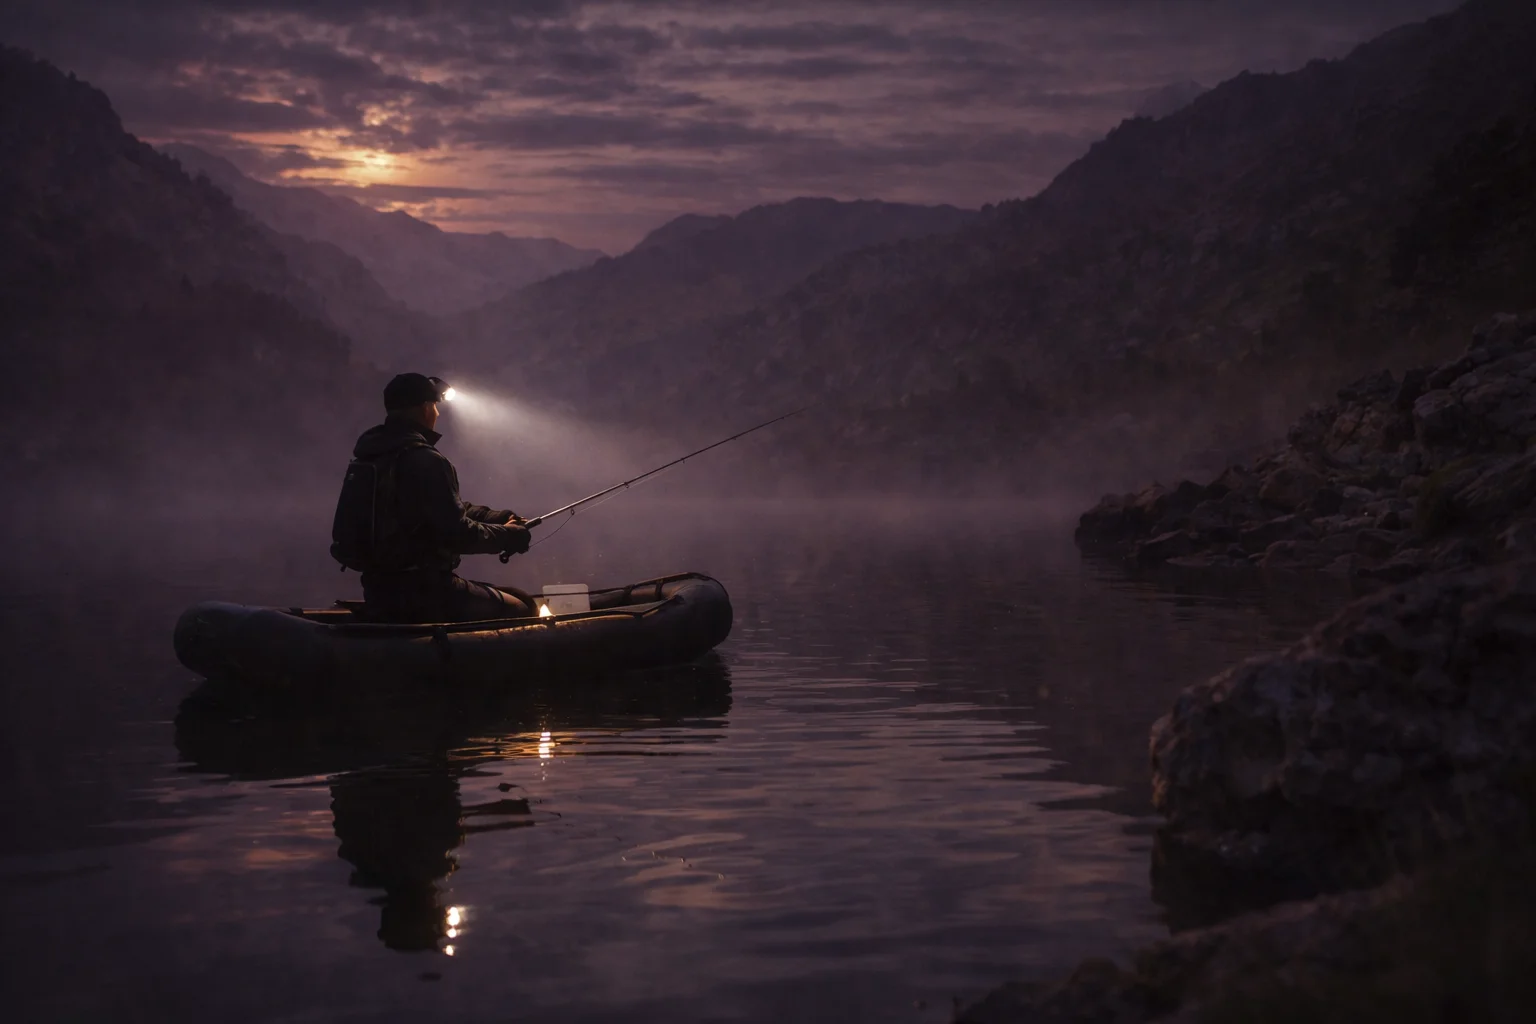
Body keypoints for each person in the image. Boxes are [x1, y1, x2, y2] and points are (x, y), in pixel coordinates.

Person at [332, 372, 534, 622]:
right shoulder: (426, 460)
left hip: (378, 591)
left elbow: (439, 509)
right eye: (436, 406)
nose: (438, 413)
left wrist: (497, 517)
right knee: (523, 607)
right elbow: (457, 533)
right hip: (430, 593)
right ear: (425, 408)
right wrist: (511, 537)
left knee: (509, 595)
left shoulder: (371, 457)